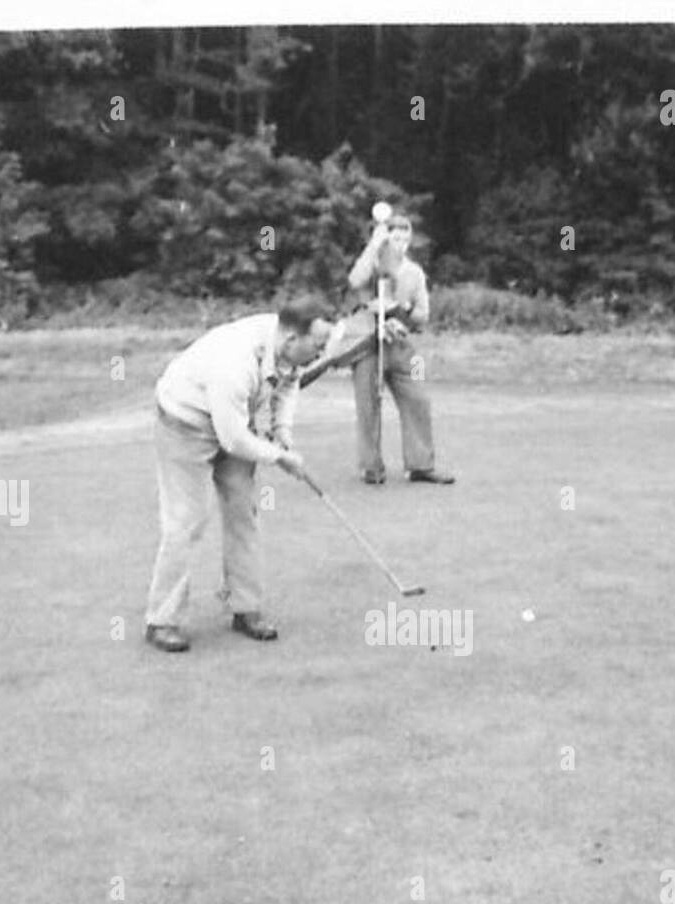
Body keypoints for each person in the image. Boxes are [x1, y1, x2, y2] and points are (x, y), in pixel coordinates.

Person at [144, 297, 333, 652]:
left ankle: (245, 608)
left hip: (233, 417)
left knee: (244, 512)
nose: (322, 354)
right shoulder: (236, 364)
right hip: (184, 421)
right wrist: (280, 457)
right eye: (318, 346)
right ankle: (161, 620)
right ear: (292, 339)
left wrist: (283, 430)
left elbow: (290, 382)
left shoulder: (288, 349)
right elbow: (232, 439)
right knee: (186, 521)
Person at [344, 213, 454, 486]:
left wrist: (401, 315)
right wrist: (374, 245)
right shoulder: (370, 262)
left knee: (419, 398)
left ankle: (421, 465)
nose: (401, 244)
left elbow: (422, 316)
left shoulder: (414, 273)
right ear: (383, 236)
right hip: (367, 344)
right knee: (369, 405)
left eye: (406, 239)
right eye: (395, 238)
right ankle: (371, 467)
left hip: (403, 346)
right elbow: (355, 281)